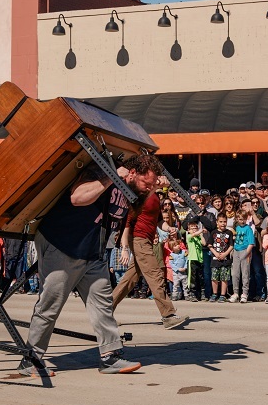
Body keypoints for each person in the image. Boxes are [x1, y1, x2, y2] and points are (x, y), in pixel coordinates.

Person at [20, 154, 163, 376]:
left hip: (92, 252)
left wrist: (152, 191)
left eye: (152, 185)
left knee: (103, 305)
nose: (149, 188)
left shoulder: (130, 190)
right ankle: (31, 360)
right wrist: (112, 177)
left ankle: (110, 357)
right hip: (64, 245)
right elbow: (77, 197)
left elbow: (132, 212)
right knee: (50, 305)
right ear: (133, 173)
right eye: (147, 183)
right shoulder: (103, 170)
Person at [112, 187, 189, 328]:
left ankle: (104, 312)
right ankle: (168, 315)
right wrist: (124, 248)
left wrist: (169, 228)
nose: (163, 179)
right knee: (155, 275)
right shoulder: (138, 194)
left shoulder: (155, 197)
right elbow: (126, 223)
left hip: (145, 240)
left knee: (130, 278)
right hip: (138, 239)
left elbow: (159, 221)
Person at [229, 209, 254, 303]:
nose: (242, 221)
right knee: (235, 273)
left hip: (245, 251)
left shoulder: (248, 229)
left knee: (245, 274)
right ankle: (235, 293)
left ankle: (244, 293)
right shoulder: (237, 228)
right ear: (237, 219)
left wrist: (246, 254)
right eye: (240, 219)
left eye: (244, 219)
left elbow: (251, 243)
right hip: (236, 251)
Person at [208, 213, 234, 302]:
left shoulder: (229, 233)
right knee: (214, 277)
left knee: (224, 278)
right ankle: (214, 294)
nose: (223, 223)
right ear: (217, 222)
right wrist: (215, 253)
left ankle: (223, 295)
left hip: (225, 260)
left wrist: (225, 254)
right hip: (215, 259)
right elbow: (210, 245)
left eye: (224, 222)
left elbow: (231, 246)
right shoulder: (213, 233)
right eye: (221, 222)